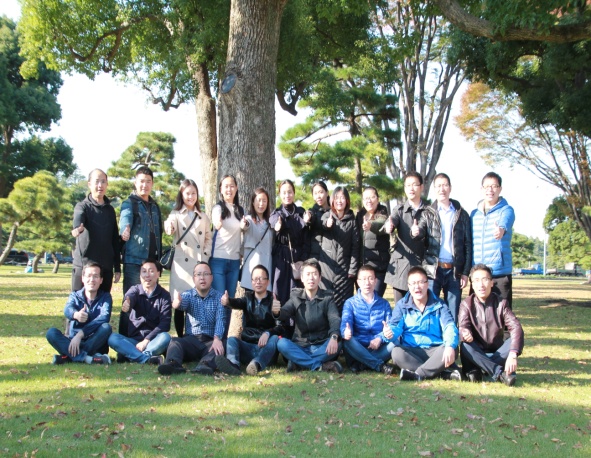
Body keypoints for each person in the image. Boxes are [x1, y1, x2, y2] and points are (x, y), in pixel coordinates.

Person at [384, 266, 460, 381]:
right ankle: (439, 373)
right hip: (412, 351)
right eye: (413, 283)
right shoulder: (402, 305)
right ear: (408, 286)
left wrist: (449, 346)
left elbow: (449, 327)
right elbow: (395, 327)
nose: (417, 287)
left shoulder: (439, 304)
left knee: (452, 348)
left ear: (427, 283)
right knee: (396, 352)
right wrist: (390, 333)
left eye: (420, 282)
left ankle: (418, 374)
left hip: (435, 350)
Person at [458, 264, 524, 386]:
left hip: (497, 352)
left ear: (492, 282)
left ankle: (485, 368)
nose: (481, 285)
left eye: (485, 279)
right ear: (472, 284)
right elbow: (462, 326)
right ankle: (499, 373)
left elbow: (516, 327)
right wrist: (465, 333)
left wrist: (513, 354)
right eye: (477, 280)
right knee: (466, 346)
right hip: (476, 353)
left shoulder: (502, 303)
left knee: (513, 340)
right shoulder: (466, 304)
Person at [418, 173, 472, 323]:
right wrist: (415, 232)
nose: (442, 189)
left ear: (450, 188)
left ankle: (452, 339)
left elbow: (467, 245)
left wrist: (465, 272)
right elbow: (420, 233)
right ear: (434, 189)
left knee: (453, 314)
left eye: (445, 185)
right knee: (430, 312)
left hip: (454, 271)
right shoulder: (427, 213)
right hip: (433, 271)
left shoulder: (461, 214)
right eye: (438, 186)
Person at [119, 166, 162, 347]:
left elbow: (159, 233)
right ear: (135, 183)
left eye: (148, 182)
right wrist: (125, 229)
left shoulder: (155, 206)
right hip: (134, 261)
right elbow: (125, 218)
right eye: (141, 181)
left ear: (152, 184)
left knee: (150, 303)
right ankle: (123, 345)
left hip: (152, 264)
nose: (145, 185)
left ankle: (144, 342)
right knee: (129, 302)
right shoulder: (130, 203)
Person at [157, 262, 226, 376]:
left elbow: (221, 319)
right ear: (194, 278)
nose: (202, 278)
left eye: (206, 274)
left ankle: (205, 365)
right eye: (198, 274)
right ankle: (173, 364)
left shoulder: (219, 297)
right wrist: (177, 303)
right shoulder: (188, 295)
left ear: (211, 278)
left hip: (210, 341)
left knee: (221, 346)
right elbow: (182, 303)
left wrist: (217, 338)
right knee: (175, 342)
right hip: (191, 340)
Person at [274, 259, 343, 373]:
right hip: (300, 346)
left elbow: (334, 318)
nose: (311, 278)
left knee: (338, 343)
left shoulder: (327, 298)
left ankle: (299, 363)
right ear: (302, 278)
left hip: (321, 346)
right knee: (281, 343)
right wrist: (277, 311)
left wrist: (334, 337)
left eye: (315, 274)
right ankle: (320, 366)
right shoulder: (296, 296)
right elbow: (284, 312)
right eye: (308, 274)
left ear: (319, 278)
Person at [215, 265, 285, 376]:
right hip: (248, 346)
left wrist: (268, 333)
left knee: (275, 338)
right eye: (255, 279)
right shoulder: (248, 297)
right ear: (252, 282)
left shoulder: (274, 299)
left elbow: (280, 327)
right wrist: (228, 301)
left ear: (268, 282)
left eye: (261, 278)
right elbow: (237, 302)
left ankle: (256, 364)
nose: (258, 282)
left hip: (266, 350)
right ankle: (233, 365)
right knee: (231, 340)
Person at [164, 179, 212, 337]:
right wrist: (169, 227)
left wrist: (205, 256)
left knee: (195, 304)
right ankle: (180, 338)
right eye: (187, 193)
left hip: (198, 265)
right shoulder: (176, 214)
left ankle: (194, 336)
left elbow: (208, 238)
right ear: (182, 195)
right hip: (182, 266)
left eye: (193, 193)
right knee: (179, 303)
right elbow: (169, 225)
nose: (191, 197)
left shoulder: (203, 217)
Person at [46, 261, 112, 365]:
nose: (92, 280)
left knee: (106, 327)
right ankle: (87, 358)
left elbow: (104, 317)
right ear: (83, 278)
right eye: (88, 276)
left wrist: (81, 334)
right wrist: (75, 314)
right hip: (73, 342)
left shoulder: (105, 297)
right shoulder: (75, 295)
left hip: (93, 342)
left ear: (101, 280)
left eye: (95, 276)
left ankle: (68, 357)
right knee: (51, 333)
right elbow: (67, 309)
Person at [108, 259, 172, 364]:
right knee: (113, 338)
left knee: (166, 337)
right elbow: (129, 297)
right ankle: (146, 358)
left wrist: (146, 340)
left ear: (158, 273)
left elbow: (165, 324)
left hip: (153, 341)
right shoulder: (135, 290)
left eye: (151, 271)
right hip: (134, 341)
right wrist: (127, 303)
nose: (147, 275)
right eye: (144, 271)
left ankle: (133, 355)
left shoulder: (164, 295)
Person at [71, 168, 120, 293]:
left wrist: (117, 268)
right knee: (78, 301)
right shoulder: (82, 206)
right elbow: (78, 218)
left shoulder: (110, 210)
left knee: (103, 301)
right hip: (84, 265)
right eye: (97, 181)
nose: (100, 185)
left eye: (103, 182)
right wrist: (77, 228)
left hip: (105, 267)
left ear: (107, 184)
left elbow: (114, 239)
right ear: (89, 184)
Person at [471, 172, 515, 308]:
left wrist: (501, 229)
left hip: (499, 273)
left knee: (503, 314)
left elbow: (506, 221)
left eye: (494, 186)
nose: (490, 190)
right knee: (477, 314)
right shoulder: (474, 215)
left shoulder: (506, 210)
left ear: (500, 189)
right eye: (487, 186)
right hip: (478, 274)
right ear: (481, 189)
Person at [341, 265, 395, 374]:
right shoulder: (350, 303)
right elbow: (346, 322)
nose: (367, 283)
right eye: (364, 279)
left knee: (396, 341)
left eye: (370, 278)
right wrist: (345, 331)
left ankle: (362, 364)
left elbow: (390, 326)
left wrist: (380, 338)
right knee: (347, 341)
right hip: (358, 348)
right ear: (358, 282)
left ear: (375, 281)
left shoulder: (384, 304)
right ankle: (378, 365)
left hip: (378, 348)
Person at [384, 171, 428, 303]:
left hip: (421, 264)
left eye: (415, 184)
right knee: (400, 306)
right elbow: (392, 220)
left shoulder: (429, 211)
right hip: (401, 266)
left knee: (420, 305)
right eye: (408, 185)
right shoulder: (399, 210)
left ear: (421, 187)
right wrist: (389, 226)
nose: (411, 188)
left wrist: (418, 231)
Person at [209, 174, 244, 336]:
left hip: (234, 262)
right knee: (220, 301)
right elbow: (216, 220)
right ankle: (214, 339)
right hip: (218, 261)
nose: (229, 189)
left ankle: (222, 340)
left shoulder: (239, 210)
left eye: (232, 186)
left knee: (229, 302)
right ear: (221, 190)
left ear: (236, 188)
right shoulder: (218, 208)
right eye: (226, 186)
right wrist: (217, 222)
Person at [318, 186, 360, 311]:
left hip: (344, 271)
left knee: (343, 306)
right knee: (325, 304)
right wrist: (328, 224)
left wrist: (352, 270)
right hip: (326, 269)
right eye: (336, 198)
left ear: (347, 200)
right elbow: (323, 224)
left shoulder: (352, 221)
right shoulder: (327, 215)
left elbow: (355, 246)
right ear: (332, 200)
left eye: (342, 198)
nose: (339, 201)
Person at [270, 180, 309, 305]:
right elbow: (274, 223)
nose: (287, 195)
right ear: (280, 194)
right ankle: (278, 316)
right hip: (281, 258)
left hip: (298, 257)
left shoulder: (301, 212)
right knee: (278, 292)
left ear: (294, 193)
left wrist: (302, 260)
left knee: (298, 293)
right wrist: (278, 226)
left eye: (290, 192)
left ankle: (296, 318)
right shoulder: (277, 213)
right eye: (284, 192)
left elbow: (306, 240)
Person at [356, 186, 390, 297]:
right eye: (366, 198)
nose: (369, 201)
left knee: (375, 300)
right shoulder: (359, 216)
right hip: (362, 270)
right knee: (362, 302)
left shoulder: (383, 213)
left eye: (372, 197)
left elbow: (381, 224)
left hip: (378, 270)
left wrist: (370, 225)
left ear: (378, 199)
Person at [239, 187, 273, 293]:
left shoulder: (271, 222)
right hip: (251, 270)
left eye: (264, 201)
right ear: (253, 202)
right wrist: (243, 224)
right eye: (258, 200)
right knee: (249, 300)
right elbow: (245, 225)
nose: (261, 204)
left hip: (266, 268)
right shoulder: (249, 219)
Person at [305, 181, 331, 260]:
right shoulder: (313, 211)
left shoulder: (334, 211)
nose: (318, 196)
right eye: (315, 193)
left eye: (321, 192)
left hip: (331, 257)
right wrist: (308, 218)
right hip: (314, 256)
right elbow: (311, 216)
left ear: (327, 193)